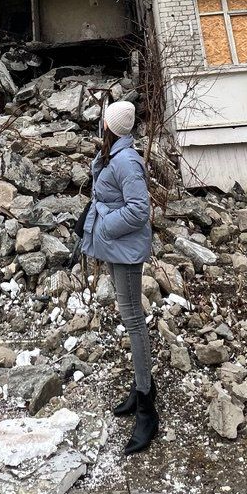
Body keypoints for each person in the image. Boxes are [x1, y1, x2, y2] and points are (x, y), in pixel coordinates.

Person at [80, 99, 158, 455]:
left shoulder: (126, 160)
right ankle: (139, 387)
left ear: (110, 126)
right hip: (116, 246)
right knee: (129, 318)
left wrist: (105, 228)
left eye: (103, 122)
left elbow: (139, 210)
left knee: (134, 322)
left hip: (123, 249)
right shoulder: (114, 153)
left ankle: (147, 407)